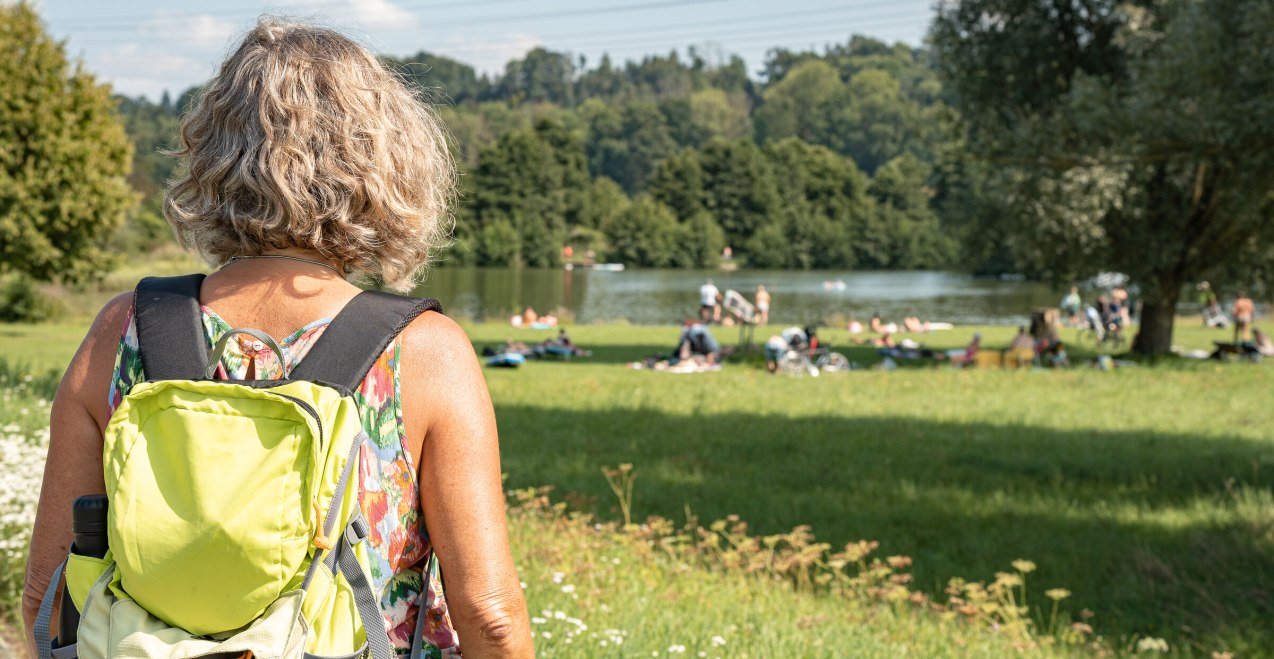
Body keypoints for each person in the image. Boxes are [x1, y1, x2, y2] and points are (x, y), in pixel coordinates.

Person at [22, 19, 532, 657]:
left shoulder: (122, 332)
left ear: (211, 153)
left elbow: (47, 595)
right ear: (390, 162)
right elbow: (490, 617)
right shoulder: (425, 352)